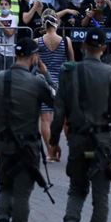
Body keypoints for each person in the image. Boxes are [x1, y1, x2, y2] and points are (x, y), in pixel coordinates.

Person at [50, 28, 111, 222]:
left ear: (83, 46)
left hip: (77, 139)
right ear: (104, 49)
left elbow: (58, 112)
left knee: (76, 190)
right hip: (102, 141)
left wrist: (53, 142)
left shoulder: (68, 72)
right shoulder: (109, 73)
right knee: (100, 198)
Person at [0, 38, 55, 222]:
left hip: (3, 145)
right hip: (27, 147)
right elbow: (55, 101)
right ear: (34, 57)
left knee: (5, 188)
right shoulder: (36, 82)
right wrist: (46, 74)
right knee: (22, 195)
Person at [37, 11, 72, 161]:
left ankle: (50, 151)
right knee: (65, 119)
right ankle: (71, 148)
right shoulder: (65, 40)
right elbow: (71, 62)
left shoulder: (36, 41)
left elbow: (36, 63)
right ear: (56, 24)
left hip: (44, 81)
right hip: (62, 81)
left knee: (45, 118)